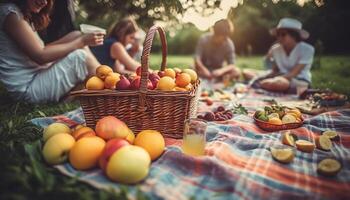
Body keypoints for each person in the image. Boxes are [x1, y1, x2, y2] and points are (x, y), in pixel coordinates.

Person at [0, 0, 103, 103]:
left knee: (76, 35)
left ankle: (82, 92)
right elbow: (41, 56)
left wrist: (78, 39)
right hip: (28, 88)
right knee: (81, 57)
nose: (44, 2)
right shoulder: (11, 14)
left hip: (39, 74)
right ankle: (106, 89)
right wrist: (81, 42)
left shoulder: (22, 14)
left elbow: (42, 49)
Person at [250, 18, 315, 93]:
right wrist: (268, 58)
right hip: (279, 76)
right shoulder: (275, 49)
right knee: (248, 72)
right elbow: (274, 70)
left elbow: (293, 74)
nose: (279, 37)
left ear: (294, 35)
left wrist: (269, 79)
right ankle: (264, 85)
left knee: (279, 83)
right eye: (278, 34)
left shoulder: (307, 49)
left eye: (283, 34)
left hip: (298, 80)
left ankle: (261, 85)